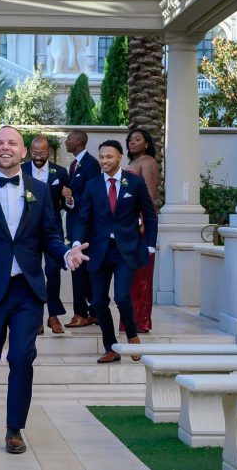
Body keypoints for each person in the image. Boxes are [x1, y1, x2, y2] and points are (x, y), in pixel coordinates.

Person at [0, 126, 89, 454]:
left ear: (23, 152)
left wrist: (66, 252)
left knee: (22, 356)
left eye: (12, 142)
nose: (5, 147)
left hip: (26, 289)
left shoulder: (40, 191)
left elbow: (50, 236)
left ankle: (15, 428)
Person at [70, 140, 158, 364]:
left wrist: (149, 245)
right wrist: (77, 242)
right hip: (98, 251)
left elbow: (149, 215)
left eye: (109, 157)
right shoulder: (92, 185)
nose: (104, 161)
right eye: (101, 157)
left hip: (126, 250)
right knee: (98, 301)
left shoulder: (135, 184)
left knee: (121, 296)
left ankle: (132, 335)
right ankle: (111, 347)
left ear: (119, 157)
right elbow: (83, 218)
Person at [21, 135, 70, 334]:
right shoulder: (21, 170)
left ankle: (53, 315)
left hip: (52, 229)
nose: (38, 156)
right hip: (27, 230)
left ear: (48, 151)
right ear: (30, 151)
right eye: (35, 152)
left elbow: (67, 204)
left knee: (52, 270)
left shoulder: (60, 172)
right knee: (32, 273)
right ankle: (36, 318)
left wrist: (69, 199)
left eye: (42, 152)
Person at [61, 129, 100, 328]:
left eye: (68, 139)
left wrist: (73, 200)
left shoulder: (90, 164)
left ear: (78, 142)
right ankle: (93, 311)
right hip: (76, 225)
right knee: (80, 271)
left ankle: (82, 313)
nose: (65, 142)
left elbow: (90, 198)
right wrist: (69, 199)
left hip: (84, 229)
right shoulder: (75, 163)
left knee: (80, 270)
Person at [124, 128, 161, 334]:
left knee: (141, 273)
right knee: (131, 274)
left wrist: (143, 221)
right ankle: (131, 319)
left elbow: (148, 193)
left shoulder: (147, 162)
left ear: (146, 143)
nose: (132, 142)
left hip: (141, 225)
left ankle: (141, 320)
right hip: (130, 223)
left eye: (137, 139)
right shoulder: (133, 163)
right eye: (130, 139)